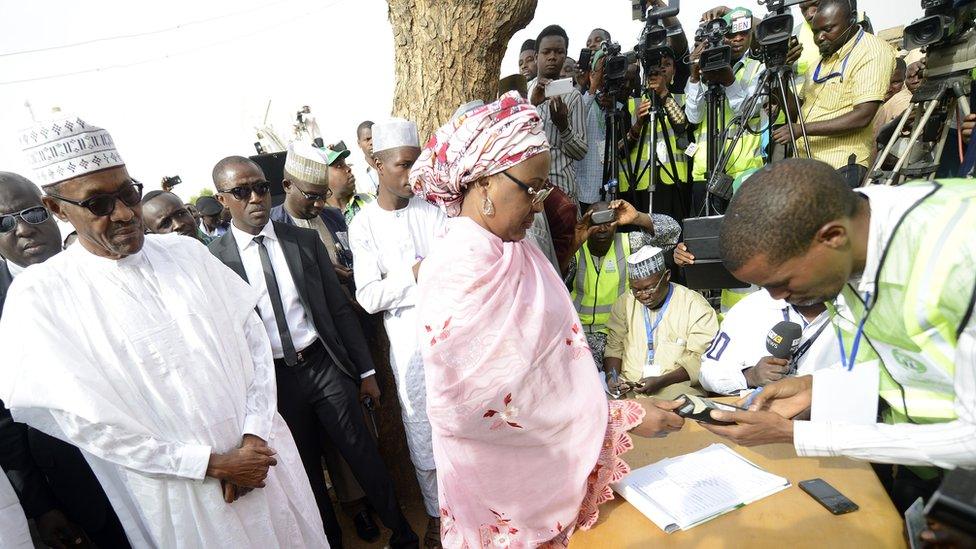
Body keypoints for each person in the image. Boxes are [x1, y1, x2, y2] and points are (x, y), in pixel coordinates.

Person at [0, 115, 328, 547]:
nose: (122, 214)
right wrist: (208, 464)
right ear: (58, 208)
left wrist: (253, 437)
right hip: (180, 491)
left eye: (127, 194)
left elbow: (253, 341)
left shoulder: (186, 253)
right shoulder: (41, 296)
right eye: (98, 204)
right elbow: (83, 422)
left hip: (264, 456)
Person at [410, 92, 686, 547]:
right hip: (501, 489)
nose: (540, 205)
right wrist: (615, 419)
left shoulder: (513, 248)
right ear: (484, 183)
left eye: (545, 190)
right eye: (532, 188)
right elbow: (469, 405)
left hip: (544, 464)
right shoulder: (458, 265)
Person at [703, 158, 976, 514]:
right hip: (925, 470)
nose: (775, 297)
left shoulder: (962, 253)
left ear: (833, 237)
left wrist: (799, 436)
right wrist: (817, 386)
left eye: (782, 283)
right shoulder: (846, 252)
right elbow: (902, 364)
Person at [208, 155, 417, 548]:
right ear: (223, 200)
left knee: (363, 455)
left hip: (323, 365)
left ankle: (404, 534)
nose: (255, 198)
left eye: (260, 188)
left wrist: (366, 372)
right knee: (304, 473)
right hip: (274, 383)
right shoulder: (215, 260)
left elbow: (337, 309)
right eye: (241, 191)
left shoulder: (300, 241)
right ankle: (329, 540)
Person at [0, 173, 131, 549]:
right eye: (4, 223)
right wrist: (40, 506)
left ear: (52, 210)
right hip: (74, 478)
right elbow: (5, 419)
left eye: (32, 214)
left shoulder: (112, 264)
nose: (23, 230)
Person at [348, 118, 446, 546]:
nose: (413, 175)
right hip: (408, 343)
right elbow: (369, 296)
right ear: (377, 163)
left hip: (453, 334)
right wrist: (418, 273)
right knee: (422, 436)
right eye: (404, 165)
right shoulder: (363, 224)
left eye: (417, 163)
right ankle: (437, 516)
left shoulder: (437, 209)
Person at [773, 0, 895, 187]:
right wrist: (779, 76)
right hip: (806, 165)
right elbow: (796, 113)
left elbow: (863, 115)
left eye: (828, 29)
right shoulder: (820, 62)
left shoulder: (872, 50)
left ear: (852, 20)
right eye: (815, 32)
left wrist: (801, 130)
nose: (820, 37)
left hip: (840, 167)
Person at [568, 201, 681, 366]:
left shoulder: (629, 242)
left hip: (621, 333)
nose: (603, 228)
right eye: (596, 222)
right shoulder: (576, 246)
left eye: (608, 221)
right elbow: (553, 273)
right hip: (579, 334)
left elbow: (672, 233)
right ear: (586, 222)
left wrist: (637, 218)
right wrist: (574, 244)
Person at [603, 246, 719, 399]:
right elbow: (614, 346)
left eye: (649, 288)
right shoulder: (625, 302)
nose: (643, 295)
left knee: (680, 410)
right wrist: (612, 377)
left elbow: (702, 358)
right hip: (629, 386)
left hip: (675, 387)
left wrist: (662, 381)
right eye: (636, 289)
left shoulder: (694, 305)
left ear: (667, 276)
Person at [685, 7, 766, 189]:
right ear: (722, 36)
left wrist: (729, 81)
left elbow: (747, 112)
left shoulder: (759, 68)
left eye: (743, 33)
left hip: (744, 172)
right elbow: (694, 117)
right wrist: (695, 77)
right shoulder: (702, 70)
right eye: (731, 34)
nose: (737, 39)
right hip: (704, 171)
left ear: (751, 34)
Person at [699, 289, 838, 395]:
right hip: (755, 419)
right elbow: (708, 372)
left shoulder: (855, 310)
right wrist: (751, 376)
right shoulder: (753, 306)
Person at [622, 47, 692, 218]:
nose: (660, 70)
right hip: (640, 183)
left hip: (674, 182)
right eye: (655, 66)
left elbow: (682, 126)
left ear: (674, 70)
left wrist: (663, 93)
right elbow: (620, 150)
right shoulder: (633, 104)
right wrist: (638, 124)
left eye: (666, 65)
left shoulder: (682, 98)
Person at [529, 25, 588, 202]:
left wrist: (563, 126)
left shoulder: (573, 96)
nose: (553, 57)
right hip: (528, 193)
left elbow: (580, 152)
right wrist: (531, 106)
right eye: (547, 51)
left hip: (562, 193)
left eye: (559, 52)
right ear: (536, 56)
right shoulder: (523, 92)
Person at [324, 145, 373, 226]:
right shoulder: (322, 218)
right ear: (323, 176)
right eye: (339, 166)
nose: (348, 169)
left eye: (346, 164)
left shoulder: (369, 200)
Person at [141, 190, 207, 243]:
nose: (178, 225)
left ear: (190, 212)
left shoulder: (216, 249)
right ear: (153, 234)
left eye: (181, 214)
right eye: (165, 223)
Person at [872, 57, 910, 139]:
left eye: (895, 82)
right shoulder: (874, 101)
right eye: (884, 82)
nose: (888, 88)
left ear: (905, 80)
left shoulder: (901, 99)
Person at [354, 120, 381, 196]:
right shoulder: (356, 174)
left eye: (374, 137)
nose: (372, 142)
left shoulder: (391, 164)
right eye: (367, 139)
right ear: (359, 144)